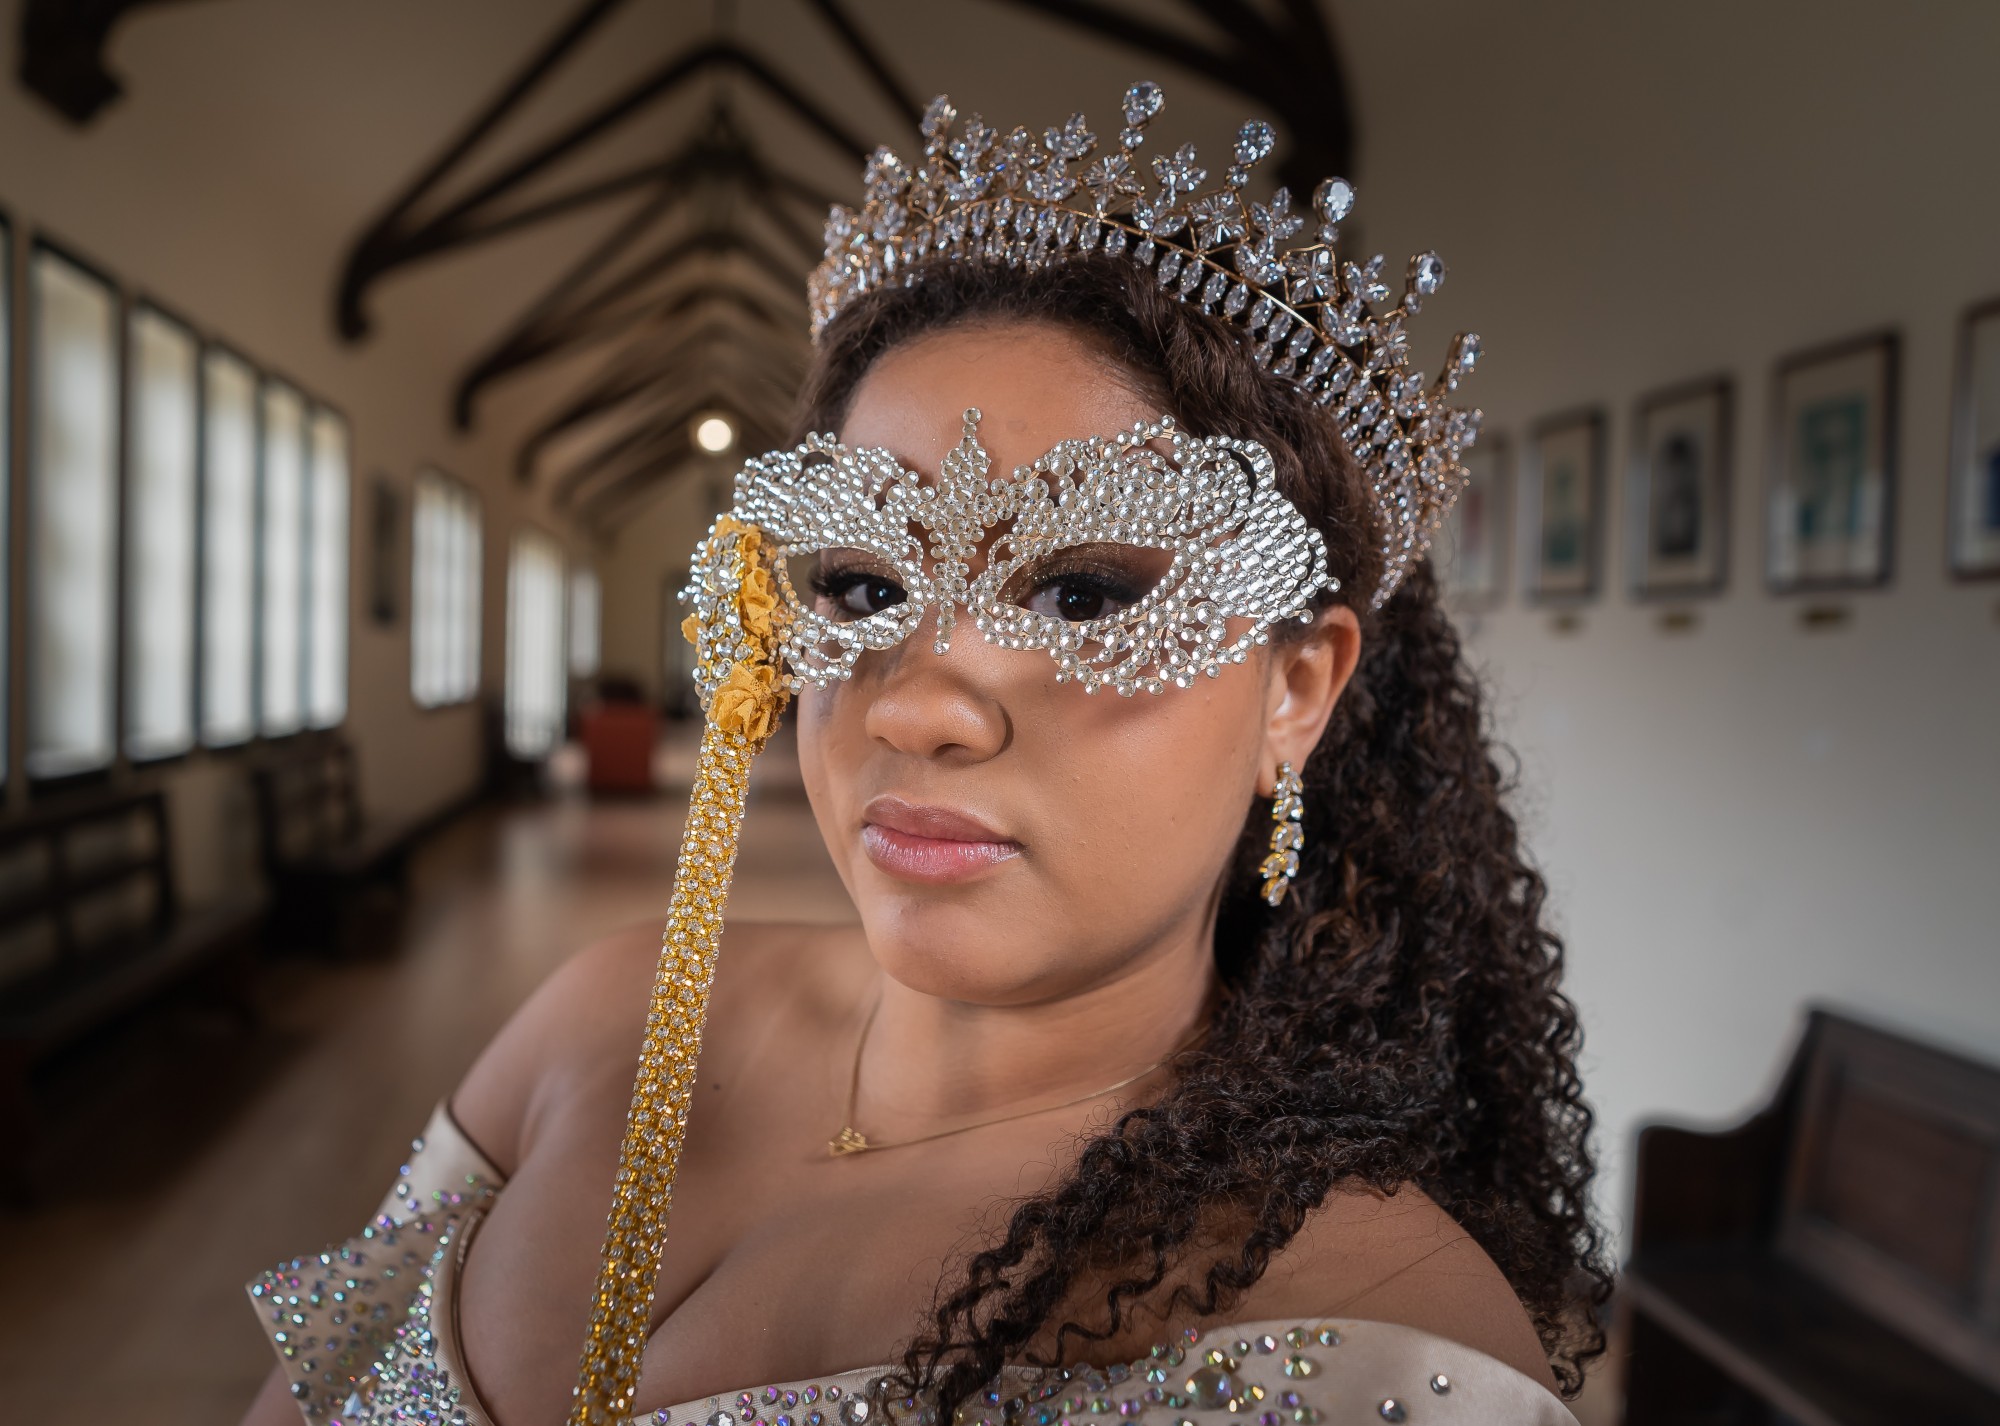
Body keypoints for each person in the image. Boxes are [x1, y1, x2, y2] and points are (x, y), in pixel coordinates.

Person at [241, 84, 1608, 1426]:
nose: (916, 708)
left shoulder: (1374, 1343)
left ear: (1296, 689)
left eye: (1082, 594)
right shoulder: (610, 1016)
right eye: (860, 584)